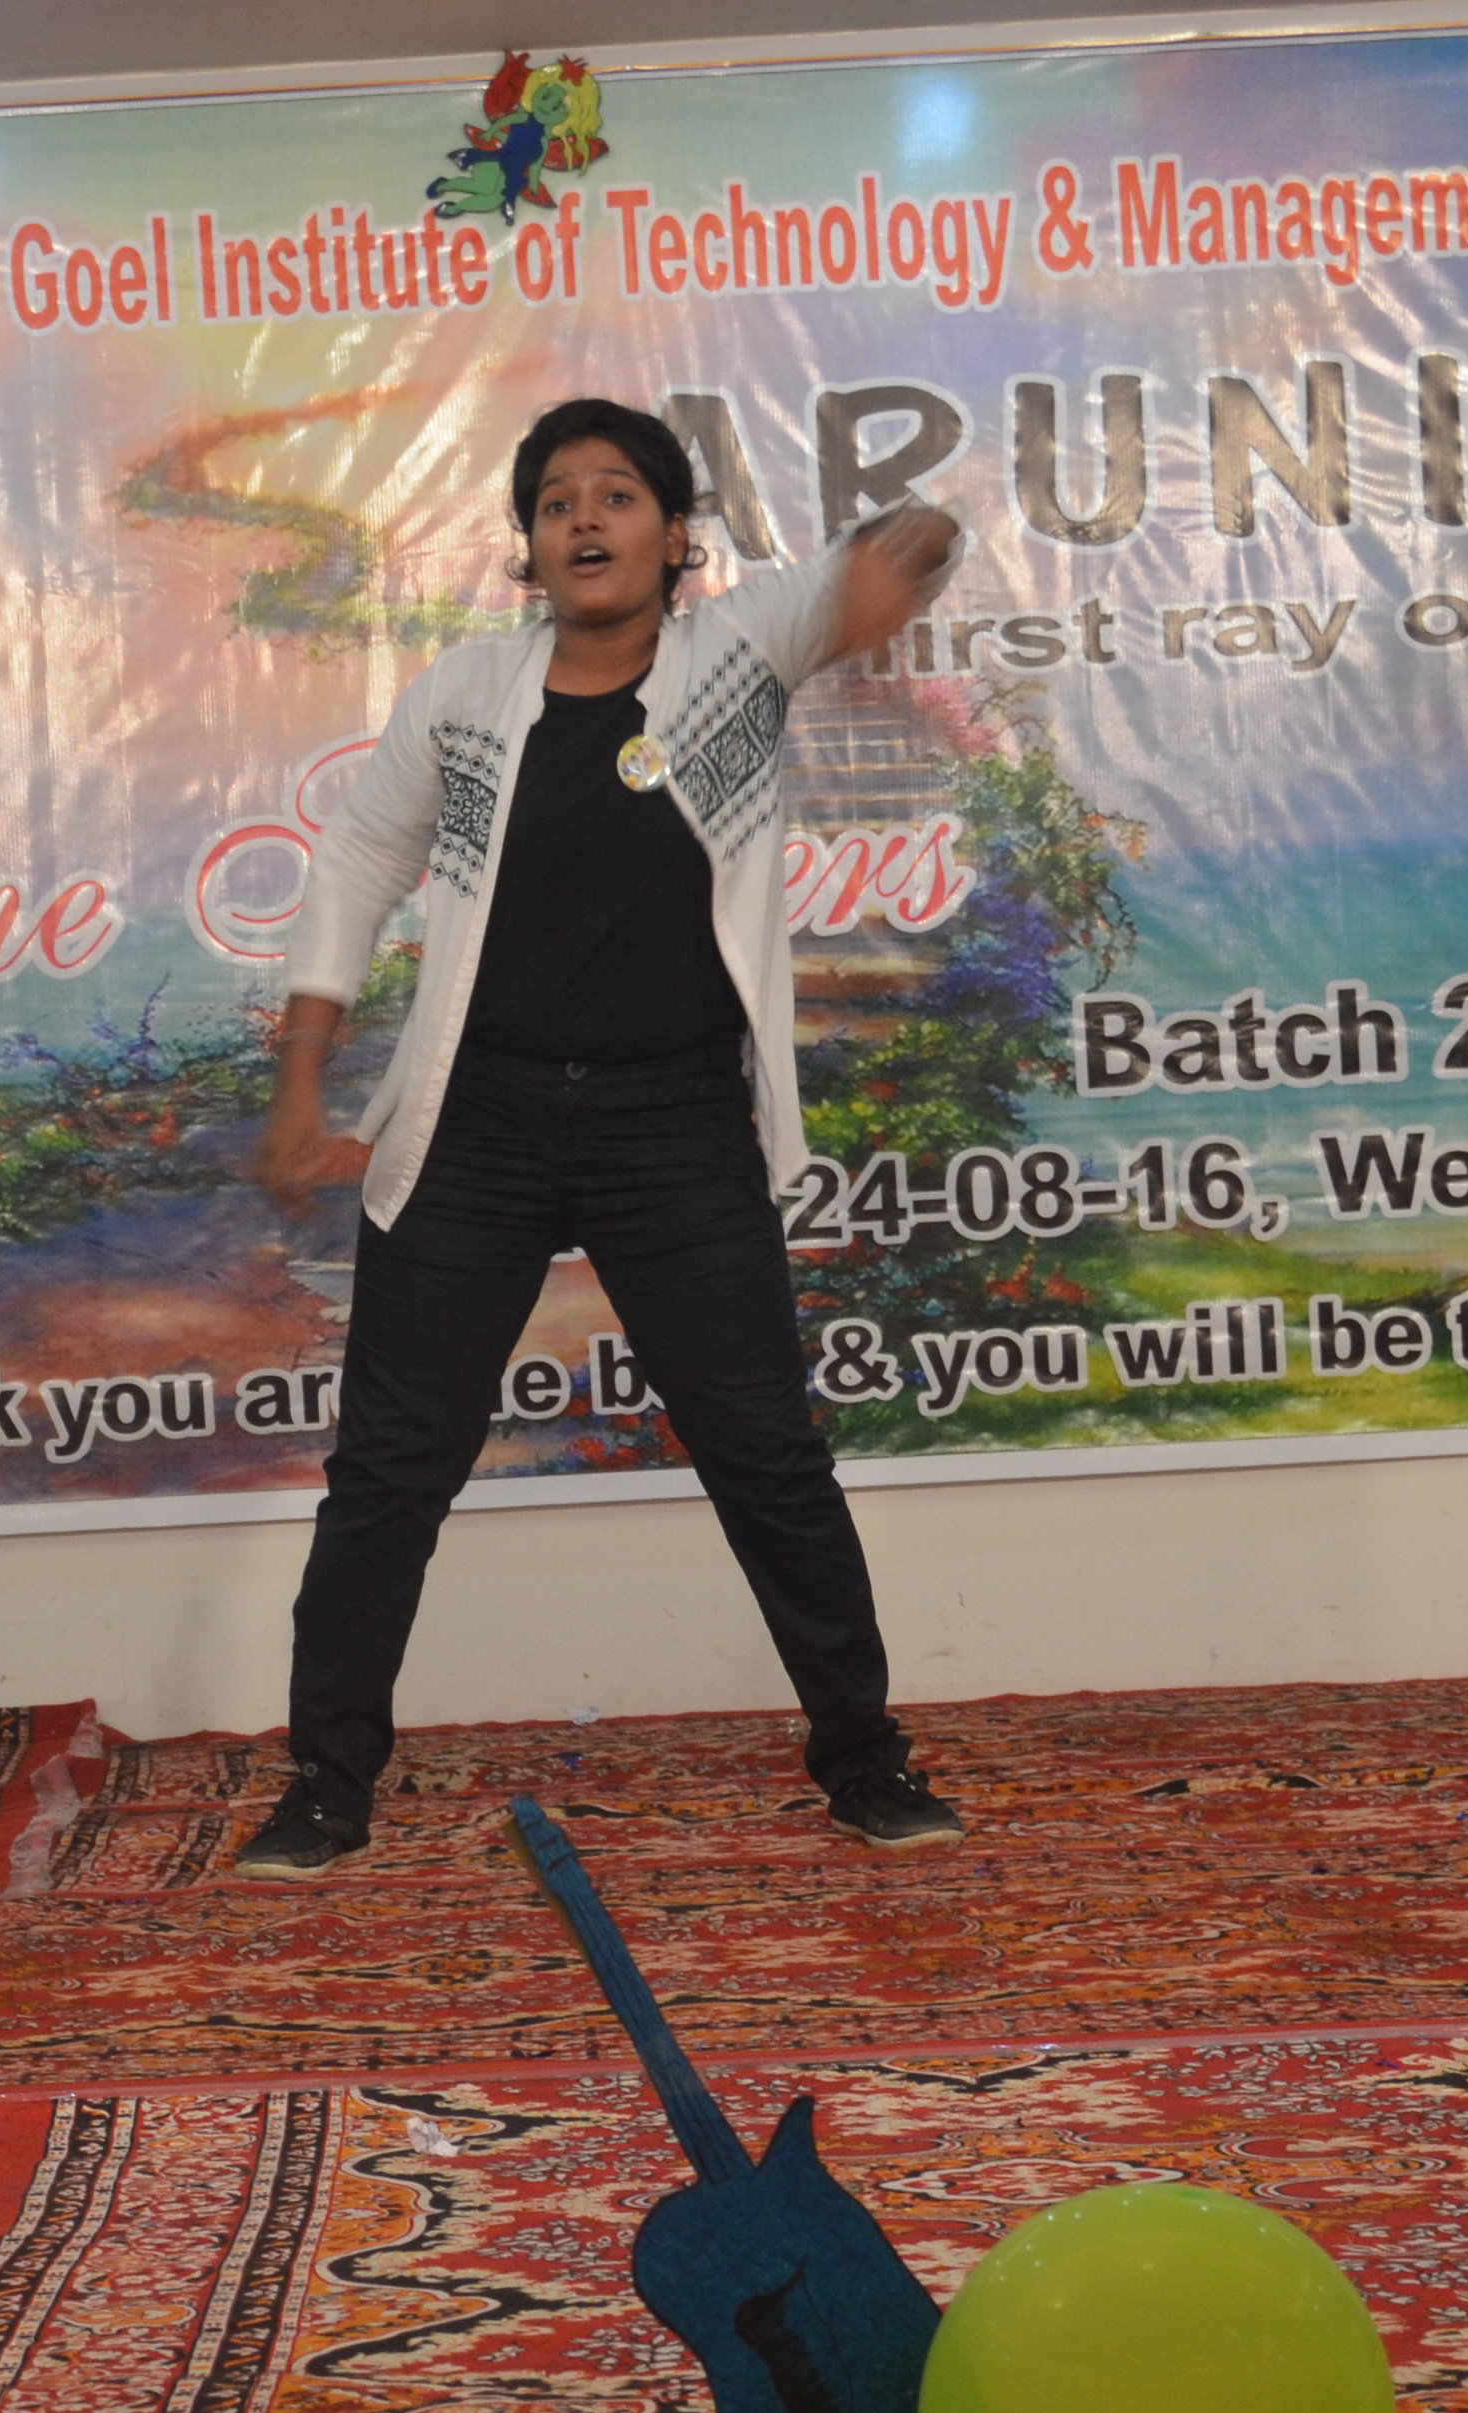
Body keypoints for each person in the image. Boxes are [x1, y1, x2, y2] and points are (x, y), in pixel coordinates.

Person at [233, 399, 966, 1879]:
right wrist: (301, 1080)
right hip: (476, 1122)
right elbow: (358, 862)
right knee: (391, 1467)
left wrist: (885, 569)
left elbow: (919, 539)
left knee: (765, 1453)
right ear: (527, 545)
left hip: (673, 1125)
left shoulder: (733, 658)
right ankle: (326, 1783)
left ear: (674, 535)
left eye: (618, 495)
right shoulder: (465, 695)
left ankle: (865, 1760)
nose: (584, 518)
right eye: (556, 499)